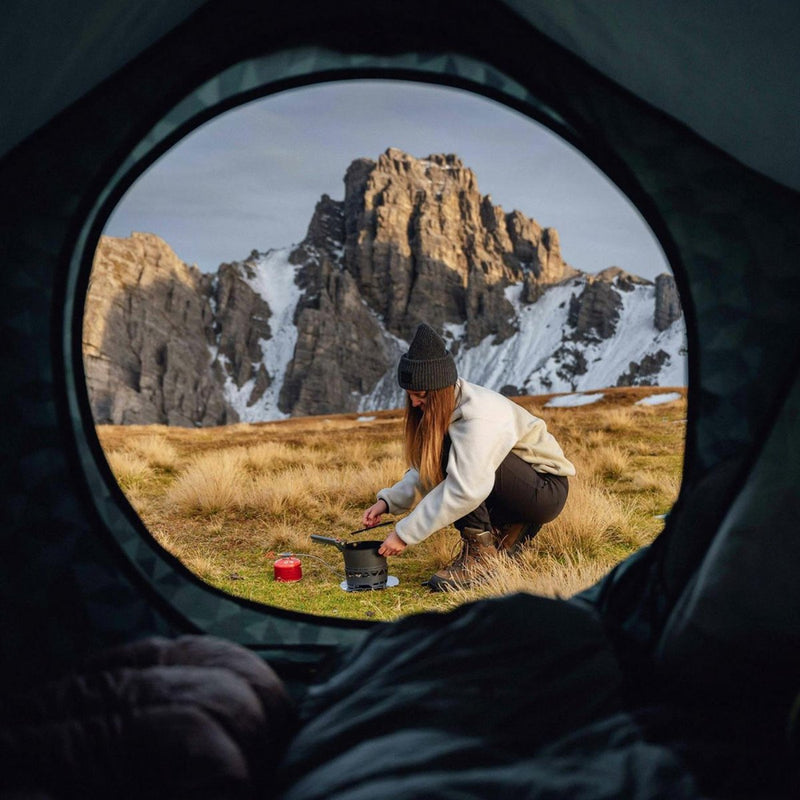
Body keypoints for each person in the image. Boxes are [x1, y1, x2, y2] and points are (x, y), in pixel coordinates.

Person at [362, 322, 576, 591]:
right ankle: (507, 529)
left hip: (545, 490)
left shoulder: (478, 417)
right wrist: (389, 501)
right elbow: (428, 468)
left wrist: (404, 534)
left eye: (420, 395)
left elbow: (466, 489)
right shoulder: (448, 408)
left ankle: (480, 556)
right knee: (449, 454)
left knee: (458, 463)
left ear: (438, 389)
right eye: (410, 395)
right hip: (519, 487)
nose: (414, 403)